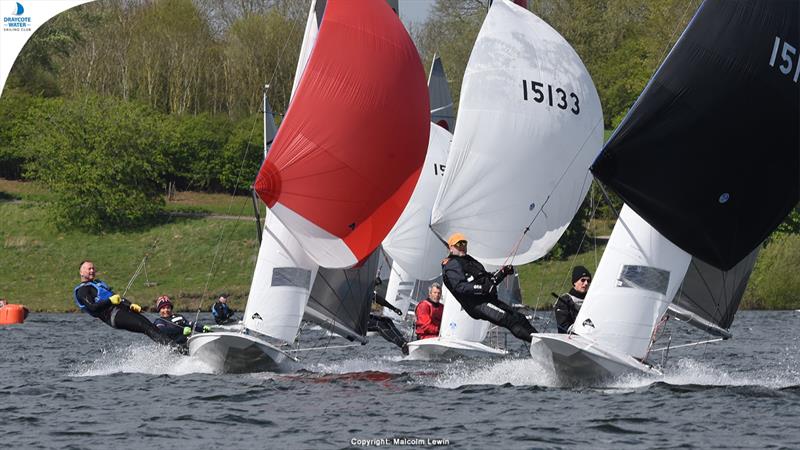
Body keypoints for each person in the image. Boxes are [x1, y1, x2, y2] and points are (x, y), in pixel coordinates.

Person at [441, 233, 538, 343]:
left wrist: (503, 272)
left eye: (464, 243)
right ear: (451, 247)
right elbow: (460, 287)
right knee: (509, 319)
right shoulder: (451, 264)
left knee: (520, 317)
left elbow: (489, 280)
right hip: (478, 305)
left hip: (488, 300)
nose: (462, 246)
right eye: (458, 244)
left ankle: (541, 340)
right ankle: (536, 341)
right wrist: (483, 288)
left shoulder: (469, 260)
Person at [73, 260, 172, 345]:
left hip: (123, 309)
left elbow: (118, 299)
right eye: (89, 269)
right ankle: (173, 348)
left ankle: (173, 346)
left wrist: (130, 305)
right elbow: (92, 307)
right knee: (145, 327)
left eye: (93, 268)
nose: (92, 271)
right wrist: (110, 301)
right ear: (81, 272)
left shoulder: (97, 284)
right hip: (113, 316)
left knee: (150, 326)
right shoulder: (82, 291)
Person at [367, 277, 409, 355]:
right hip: (356, 322)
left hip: (365, 318)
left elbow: (380, 300)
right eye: (375, 285)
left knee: (387, 320)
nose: (375, 288)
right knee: (379, 325)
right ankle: (402, 345)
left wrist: (394, 309)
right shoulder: (361, 291)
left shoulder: (368, 292)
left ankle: (404, 341)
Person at [555, 266, 592, 334]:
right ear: (575, 282)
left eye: (588, 281)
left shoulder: (592, 300)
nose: (586, 283)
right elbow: (563, 325)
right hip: (569, 338)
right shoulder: (564, 300)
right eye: (583, 280)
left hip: (590, 336)